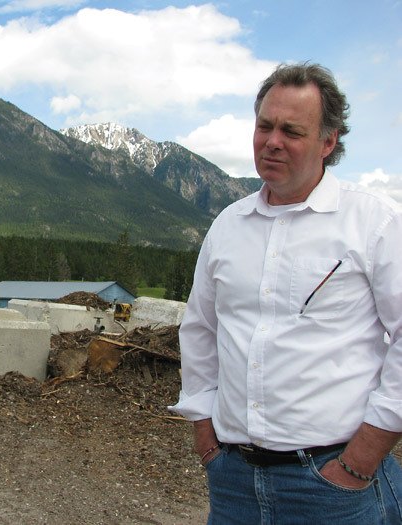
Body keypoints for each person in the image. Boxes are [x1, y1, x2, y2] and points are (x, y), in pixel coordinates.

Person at [170, 63, 402, 523]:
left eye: (291, 131)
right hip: (234, 479)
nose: (272, 141)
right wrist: (204, 433)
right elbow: (199, 329)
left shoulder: (373, 222)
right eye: (264, 126)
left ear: (328, 142)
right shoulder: (228, 225)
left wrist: (361, 459)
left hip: (333, 484)